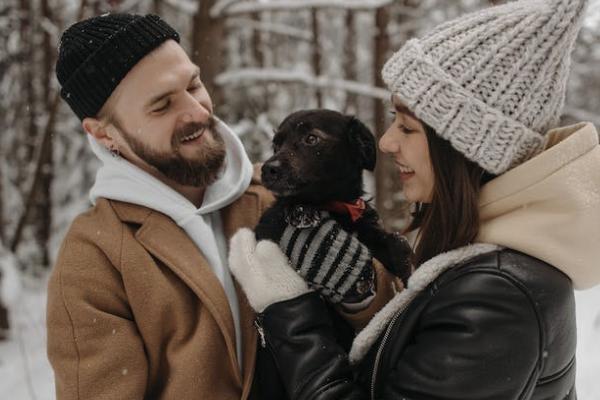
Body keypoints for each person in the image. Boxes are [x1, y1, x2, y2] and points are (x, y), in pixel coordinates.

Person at [229, 0, 600, 398]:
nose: (386, 142)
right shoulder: (477, 253)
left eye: (407, 126)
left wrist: (290, 310)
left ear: (465, 149)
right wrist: (367, 304)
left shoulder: (500, 295)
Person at [47, 13, 397, 400]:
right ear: (104, 133)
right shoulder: (95, 260)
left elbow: (396, 329)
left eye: (193, 85)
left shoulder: (283, 197)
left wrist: (360, 290)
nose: (198, 112)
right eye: (162, 105)